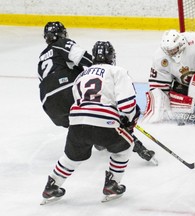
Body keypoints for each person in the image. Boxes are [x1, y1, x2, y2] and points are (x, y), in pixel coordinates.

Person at [38, 21, 156, 163]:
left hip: (50, 107)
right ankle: (139, 148)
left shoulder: (41, 57)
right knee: (103, 112)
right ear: (61, 34)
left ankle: (98, 141)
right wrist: (103, 70)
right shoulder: (63, 43)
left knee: (84, 121)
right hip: (67, 92)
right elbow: (84, 59)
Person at [41, 41, 142, 204]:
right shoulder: (118, 71)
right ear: (111, 57)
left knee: (71, 157)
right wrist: (128, 122)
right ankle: (112, 183)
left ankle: (52, 184)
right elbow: (127, 105)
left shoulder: (81, 75)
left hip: (76, 122)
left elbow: (79, 100)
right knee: (126, 146)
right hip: (104, 122)